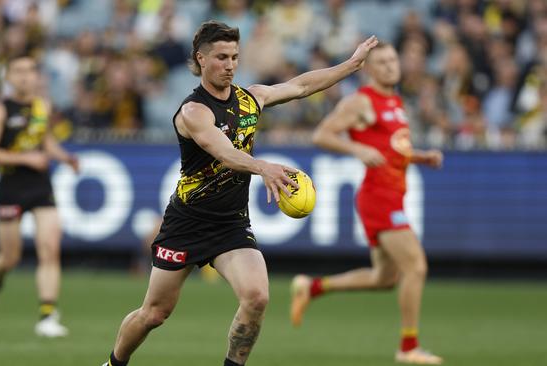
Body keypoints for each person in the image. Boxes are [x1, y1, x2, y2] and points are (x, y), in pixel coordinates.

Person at [102, 20, 377, 366]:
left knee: (257, 297)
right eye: (221, 57)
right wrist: (263, 167)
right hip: (186, 223)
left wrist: (351, 65)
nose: (230, 65)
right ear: (201, 59)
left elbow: (302, 86)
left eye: (234, 56)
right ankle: (113, 363)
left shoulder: (251, 98)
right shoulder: (193, 111)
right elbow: (222, 151)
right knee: (154, 313)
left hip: (230, 225)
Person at [290, 43, 443, 365]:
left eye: (393, 60)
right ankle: (408, 347)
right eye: (382, 62)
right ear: (370, 69)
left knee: (385, 279)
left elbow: (391, 150)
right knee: (416, 266)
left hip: (392, 193)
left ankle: (312, 287)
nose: (390, 66)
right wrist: (356, 151)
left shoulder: (396, 102)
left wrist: (419, 157)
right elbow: (321, 135)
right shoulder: (361, 101)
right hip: (379, 197)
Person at [0, 54, 79, 338]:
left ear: (37, 76)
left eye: (30, 70)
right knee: (10, 256)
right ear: (8, 76)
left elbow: (44, 139)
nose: (25, 76)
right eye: (18, 71)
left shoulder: (41, 105)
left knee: (49, 248)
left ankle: (47, 314)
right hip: (11, 185)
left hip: (40, 185)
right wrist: (26, 159)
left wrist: (64, 157)